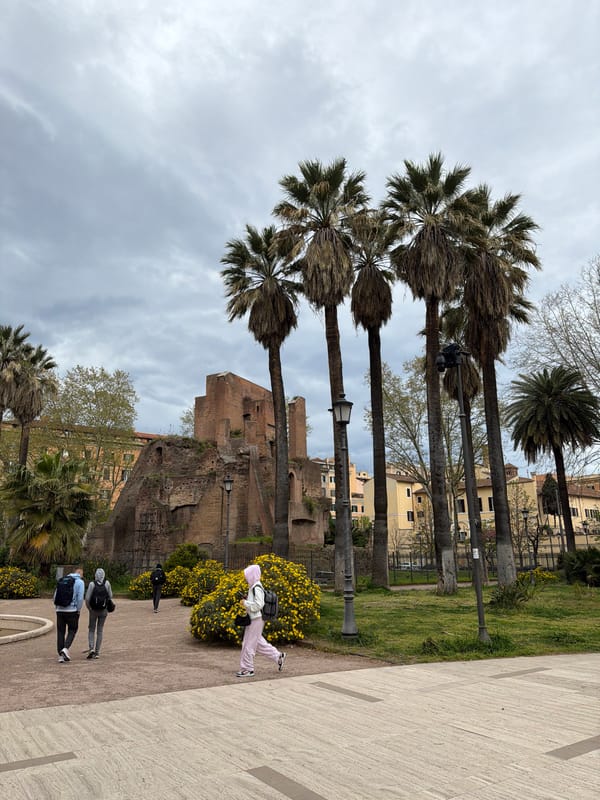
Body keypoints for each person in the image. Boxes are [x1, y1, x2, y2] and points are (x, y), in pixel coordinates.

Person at [237, 563, 286, 678]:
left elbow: (259, 604)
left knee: (248, 644)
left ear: (252, 575)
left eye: (248, 575)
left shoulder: (256, 587)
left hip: (256, 619)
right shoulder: (255, 587)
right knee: (258, 642)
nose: (246, 578)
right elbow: (257, 602)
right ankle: (278, 656)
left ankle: (248, 669)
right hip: (255, 619)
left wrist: (245, 603)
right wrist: (247, 599)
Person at [54, 566, 85, 663]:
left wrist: (57, 607)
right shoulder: (80, 582)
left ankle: (61, 656)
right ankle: (65, 648)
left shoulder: (62, 580)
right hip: (72, 610)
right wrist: (78, 609)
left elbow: (55, 596)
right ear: (80, 574)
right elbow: (80, 598)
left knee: (60, 632)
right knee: (72, 630)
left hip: (60, 610)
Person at [85, 567, 113, 659]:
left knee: (91, 629)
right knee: (100, 630)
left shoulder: (92, 584)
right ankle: (97, 652)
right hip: (103, 610)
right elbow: (110, 596)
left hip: (93, 610)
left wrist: (89, 608)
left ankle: (91, 648)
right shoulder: (107, 583)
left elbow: (87, 598)